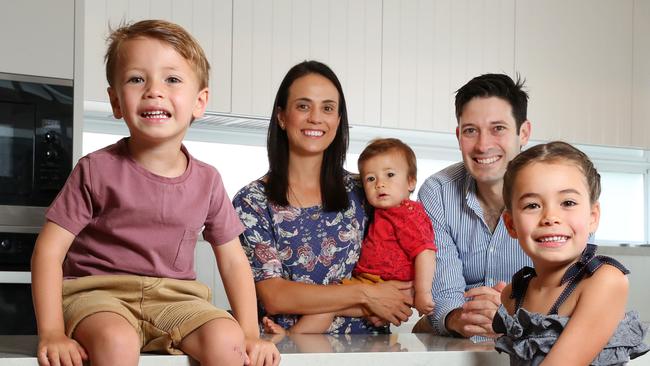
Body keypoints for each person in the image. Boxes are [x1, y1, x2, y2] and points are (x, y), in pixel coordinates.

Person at [31, 20, 279, 366]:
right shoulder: (95, 169)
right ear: (116, 101)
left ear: (199, 101)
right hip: (99, 296)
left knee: (228, 339)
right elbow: (47, 252)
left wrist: (250, 333)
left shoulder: (208, 181)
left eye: (172, 79)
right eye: (136, 79)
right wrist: (53, 332)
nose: (154, 90)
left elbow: (234, 260)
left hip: (176, 299)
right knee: (117, 342)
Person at [232, 61, 414, 335]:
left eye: (328, 108)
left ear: (338, 119)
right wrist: (366, 296)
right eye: (303, 106)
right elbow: (275, 296)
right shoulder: (252, 202)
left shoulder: (365, 190)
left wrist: (384, 297)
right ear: (281, 116)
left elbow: (402, 276)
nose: (316, 118)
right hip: (285, 352)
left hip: (368, 350)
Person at [493, 141, 649, 365]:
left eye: (567, 202)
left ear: (593, 217)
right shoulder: (512, 295)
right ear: (511, 225)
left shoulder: (605, 281)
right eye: (532, 205)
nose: (550, 217)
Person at [262, 138, 437, 334]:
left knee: (328, 307)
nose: (380, 184)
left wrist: (423, 292)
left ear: (411, 182)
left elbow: (426, 251)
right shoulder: (380, 209)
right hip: (368, 282)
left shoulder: (409, 214)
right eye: (371, 179)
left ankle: (291, 335)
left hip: (385, 283)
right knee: (327, 307)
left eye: (390, 175)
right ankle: (290, 335)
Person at [414, 73, 533, 338]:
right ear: (458, 135)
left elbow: (570, 291)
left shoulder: (559, 193)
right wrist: (457, 318)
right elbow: (444, 294)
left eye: (498, 128)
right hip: (459, 344)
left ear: (523, 132)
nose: (483, 145)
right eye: (471, 131)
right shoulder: (437, 193)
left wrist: (507, 317)